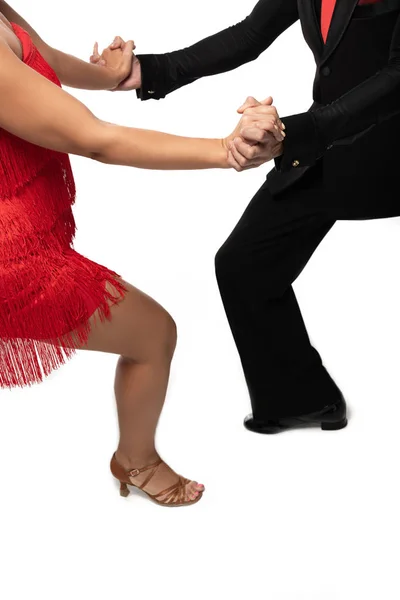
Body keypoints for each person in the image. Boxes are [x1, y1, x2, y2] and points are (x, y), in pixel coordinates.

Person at [0, 1, 285, 506]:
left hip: (23, 237)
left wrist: (111, 76)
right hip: (10, 262)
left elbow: (38, 55)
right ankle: (137, 461)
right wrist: (226, 151)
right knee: (153, 335)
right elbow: (95, 140)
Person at [92, 0, 400, 434]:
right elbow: (249, 34)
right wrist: (148, 69)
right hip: (334, 145)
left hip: (383, 146)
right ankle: (304, 399)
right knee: (243, 264)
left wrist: (299, 132)